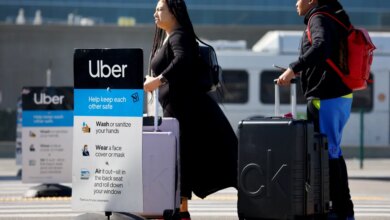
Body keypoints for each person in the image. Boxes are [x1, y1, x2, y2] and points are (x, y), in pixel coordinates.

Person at [143, 0, 238, 219]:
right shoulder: (171, 36)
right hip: (179, 113)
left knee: (181, 164)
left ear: (174, 13)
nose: (155, 13)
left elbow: (183, 59)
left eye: (160, 9)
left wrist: (158, 80)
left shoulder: (180, 35)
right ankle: (181, 212)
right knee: (179, 165)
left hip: (186, 114)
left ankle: (181, 212)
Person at [276, 0, 355, 219]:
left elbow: (321, 47)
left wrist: (294, 68)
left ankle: (340, 210)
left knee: (329, 154)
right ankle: (339, 209)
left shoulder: (318, 18)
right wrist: (301, 72)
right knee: (331, 152)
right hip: (336, 95)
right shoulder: (329, 17)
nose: (295, 3)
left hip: (326, 97)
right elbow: (326, 56)